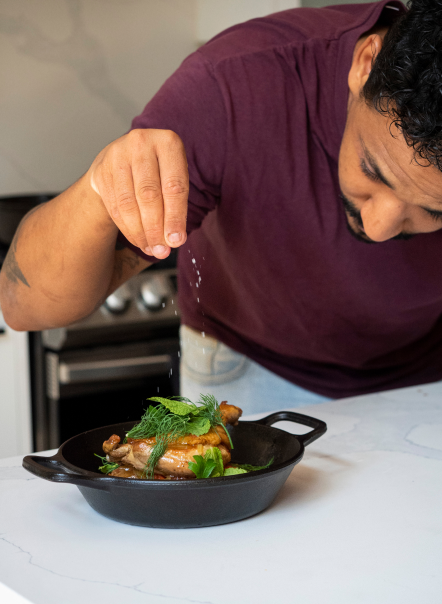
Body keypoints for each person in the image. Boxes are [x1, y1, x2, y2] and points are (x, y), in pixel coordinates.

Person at [2, 0, 442, 415]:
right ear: (365, 64)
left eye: (434, 211)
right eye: (372, 170)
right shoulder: (235, 86)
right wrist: (97, 189)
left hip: (425, 376)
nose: (379, 227)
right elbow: (23, 306)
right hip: (248, 366)